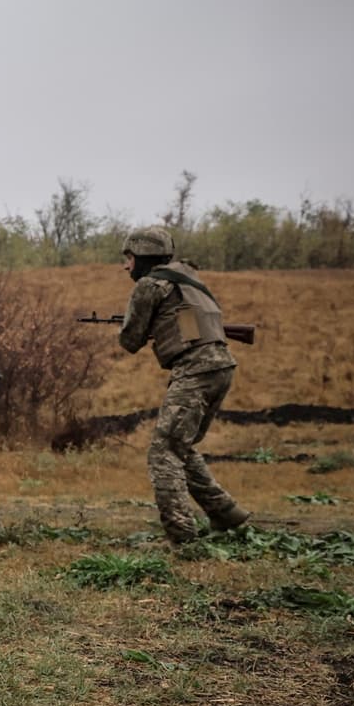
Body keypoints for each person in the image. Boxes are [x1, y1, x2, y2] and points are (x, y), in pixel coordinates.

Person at [117, 226, 249, 543]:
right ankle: (225, 513)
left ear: (144, 257)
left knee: (163, 454)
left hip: (196, 372)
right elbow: (188, 329)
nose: (126, 266)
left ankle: (182, 537)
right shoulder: (186, 283)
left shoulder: (149, 285)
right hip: (221, 367)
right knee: (181, 447)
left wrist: (139, 325)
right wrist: (162, 328)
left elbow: (130, 341)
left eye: (129, 258)